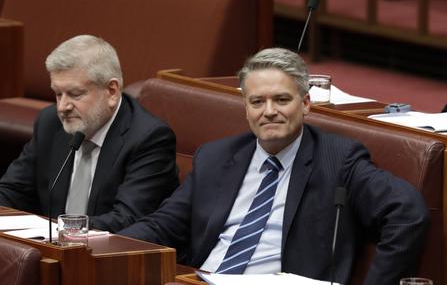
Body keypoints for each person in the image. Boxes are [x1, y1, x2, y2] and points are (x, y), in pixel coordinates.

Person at [119, 48, 430, 285]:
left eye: (281, 100)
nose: (269, 112)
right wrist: (98, 243)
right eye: (257, 102)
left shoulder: (337, 160)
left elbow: (408, 213)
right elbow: (162, 226)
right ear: (245, 107)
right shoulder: (216, 157)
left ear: (305, 103)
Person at [0, 35, 179, 232]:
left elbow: (127, 219)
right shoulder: (50, 123)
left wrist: (57, 230)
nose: (63, 107)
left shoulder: (148, 138)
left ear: (111, 91)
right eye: (58, 94)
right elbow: (12, 190)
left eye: (75, 94)